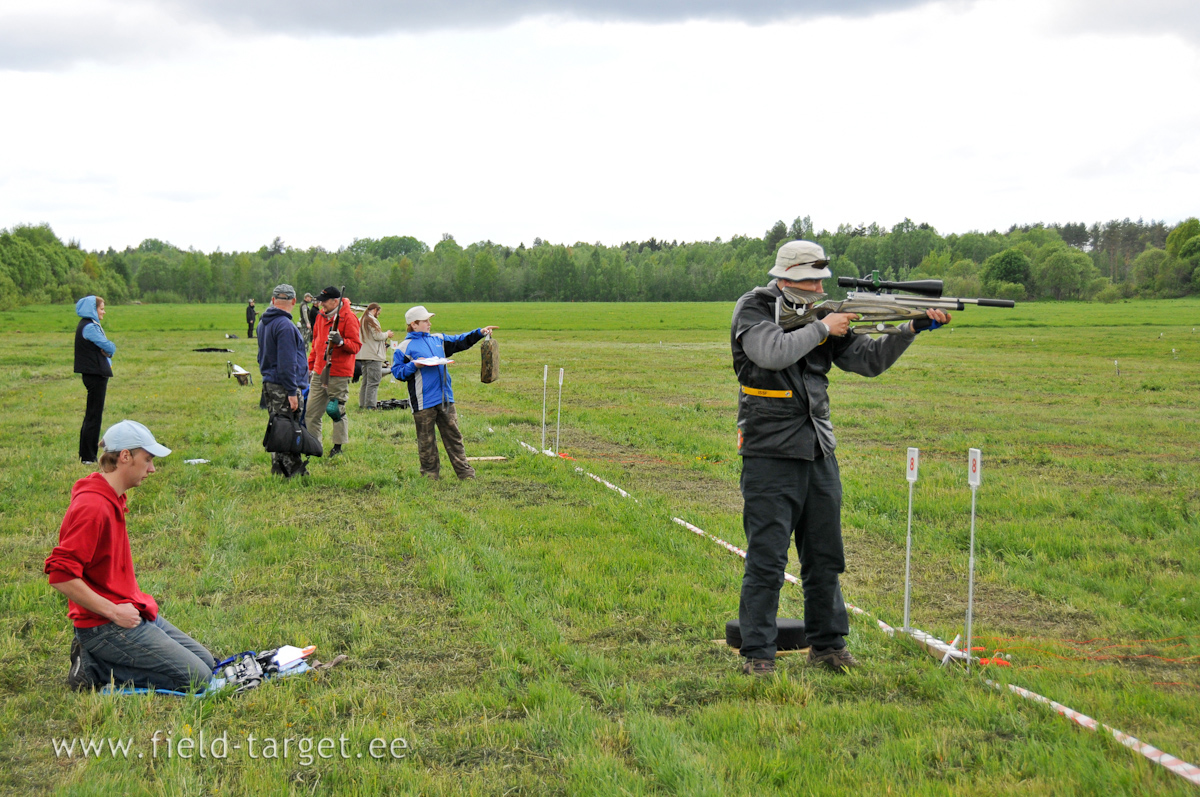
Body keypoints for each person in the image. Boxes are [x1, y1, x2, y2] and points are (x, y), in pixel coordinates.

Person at [731, 240, 950, 677]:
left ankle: (828, 645)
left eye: (820, 282)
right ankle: (758, 655)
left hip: (817, 449)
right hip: (769, 450)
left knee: (825, 556)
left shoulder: (821, 316)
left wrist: (910, 329)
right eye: (811, 282)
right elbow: (769, 353)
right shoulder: (755, 307)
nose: (818, 288)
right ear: (787, 279)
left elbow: (869, 360)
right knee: (767, 559)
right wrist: (822, 328)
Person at [44, 420, 217, 692]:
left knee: (208, 663)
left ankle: (107, 658)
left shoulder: (112, 495)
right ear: (125, 456)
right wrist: (114, 611)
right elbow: (60, 575)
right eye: (147, 459)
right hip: (104, 626)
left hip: (129, 609)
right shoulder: (93, 507)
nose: (152, 468)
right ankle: (93, 667)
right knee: (199, 679)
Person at [391, 305, 497, 480]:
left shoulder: (438, 339)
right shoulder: (404, 347)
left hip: (445, 399)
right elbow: (398, 372)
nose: (429, 323)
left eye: (429, 320)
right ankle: (430, 476)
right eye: (425, 321)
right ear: (414, 324)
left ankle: (465, 474)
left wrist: (479, 332)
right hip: (423, 402)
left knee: (454, 438)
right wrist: (414, 365)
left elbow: (460, 341)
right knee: (426, 442)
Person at [257, 283, 310, 477]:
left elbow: (261, 356)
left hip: (270, 382)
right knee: (289, 426)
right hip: (283, 385)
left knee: (277, 425)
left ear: (273, 300)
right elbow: (287, 363)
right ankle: (293, 471)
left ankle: (278, 468)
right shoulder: (285, 326)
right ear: (294, 301)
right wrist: (291, 391)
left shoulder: (264, 323)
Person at [305, 286, 362, 459]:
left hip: (339, 371)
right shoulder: (320, 317)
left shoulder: (349, 318)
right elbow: (316, 344)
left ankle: (338, 447)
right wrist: (310, 366)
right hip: (319, 370)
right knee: (311, 413)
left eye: (324, 301)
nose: (321, 304)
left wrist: (341, 342)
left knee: (336, 410)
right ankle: (314, 447)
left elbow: (356, 346)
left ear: (335, 301)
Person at [74, 295, 115, 465]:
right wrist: (110, 349)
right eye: (101, 308)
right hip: (95, 374)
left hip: (93, 373)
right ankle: (88, 456)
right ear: (93, 309)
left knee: (92, 415)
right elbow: (109, 346)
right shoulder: (90, 327)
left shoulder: (86, 325)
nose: (103, 312)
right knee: (94, 416)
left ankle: (87, 455)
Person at [356, 303, 394, 409]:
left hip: (363, 355)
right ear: (375, 310)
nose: (378, 315)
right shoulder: (371, 320)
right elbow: (377, 336)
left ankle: (362, 404)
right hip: (373, 355)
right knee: (374, 381)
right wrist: (387, 334)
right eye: (378, 312)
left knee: (365, 381)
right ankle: (370, 405)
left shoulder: (361, 319)